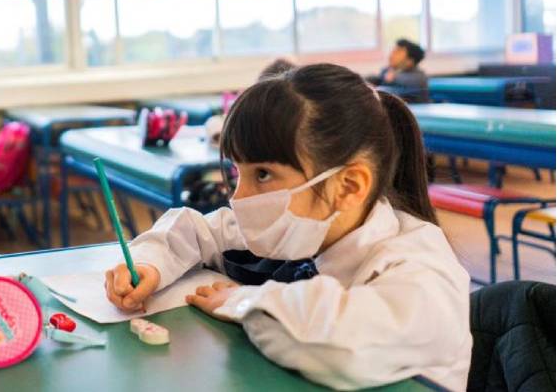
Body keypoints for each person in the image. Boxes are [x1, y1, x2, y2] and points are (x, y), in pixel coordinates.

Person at [104, 62, 471, 390]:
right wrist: (149, 263)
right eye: (237, 172)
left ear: (348, 186)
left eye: (263, 174)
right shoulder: (302, 225)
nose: (239, 197)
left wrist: (240, 301)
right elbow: (196, 231)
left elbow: (341, 346)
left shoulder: (421, 268)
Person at [372, 39, 429, 103]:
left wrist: (394, 77)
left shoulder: (419, 77)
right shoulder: (387, 71)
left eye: (398, 52)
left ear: (410, 61)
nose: (392, 54)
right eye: (393, 51)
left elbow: (387, 91)